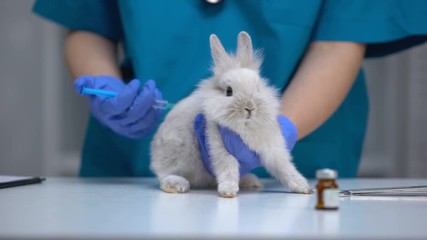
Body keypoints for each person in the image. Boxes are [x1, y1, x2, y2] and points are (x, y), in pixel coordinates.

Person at [33, 0, 427, 178]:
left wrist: (277, 131)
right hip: (134, 166)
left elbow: (338, 43)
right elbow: (87, 21)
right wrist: (106, 85)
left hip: (305, 144)